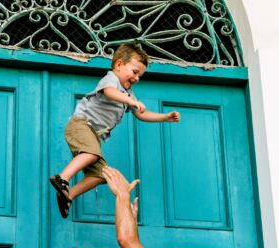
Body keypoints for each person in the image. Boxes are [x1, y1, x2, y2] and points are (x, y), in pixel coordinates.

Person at [48, 43, 180, 218]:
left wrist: (164, 117)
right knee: (92, 154)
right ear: (118, 65)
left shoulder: (128, 92)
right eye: (134, 72)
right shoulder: (111, 80)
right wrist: (131, 102)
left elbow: (142, 114)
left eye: (140, 75)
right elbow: (109, 92)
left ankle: (68, 195)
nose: (137, 78)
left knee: (102, 175)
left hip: (92, 134)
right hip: (81, 125)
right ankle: (62, 178)